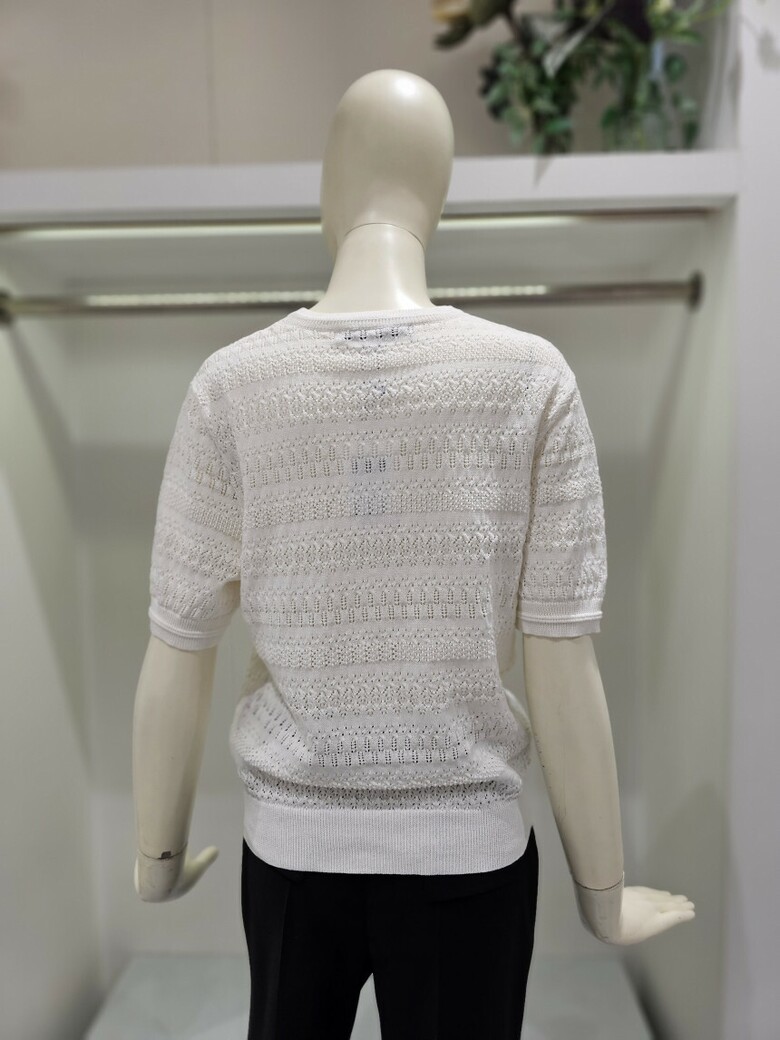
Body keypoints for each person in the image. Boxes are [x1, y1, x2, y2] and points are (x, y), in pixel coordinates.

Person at [132, 69, 695, 1040]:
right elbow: (564, 656)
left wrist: (156, 857)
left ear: (329, 189)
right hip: (466, 872)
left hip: (294, 858)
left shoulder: (231, 386)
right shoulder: (531, 381)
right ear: (438, 193)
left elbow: (178, 643)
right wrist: (603, 894)